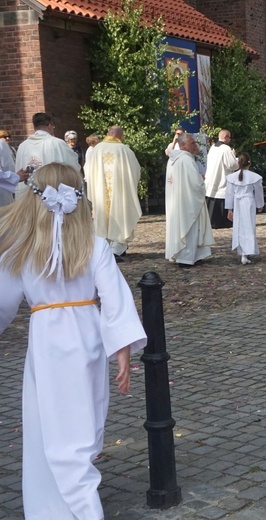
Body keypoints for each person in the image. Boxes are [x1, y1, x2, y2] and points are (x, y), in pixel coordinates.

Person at [0, 162, 147, 520]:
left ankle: (55, 507)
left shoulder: (20, 250)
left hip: (47, 340)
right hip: (87, 338)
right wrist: (122, 349)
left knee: (47, 420)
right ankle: (75, 504)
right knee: (82, 421)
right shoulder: (95, 246)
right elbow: (114, 299)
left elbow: (4, 303)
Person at [85, 126, 142, 260]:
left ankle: (104, 249)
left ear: (107, 134)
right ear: (121, 136)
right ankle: (117, 249)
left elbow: (88, 172)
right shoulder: (124, 150)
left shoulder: (96, 150)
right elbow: (135, 171)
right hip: (120, 195)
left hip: (100, 194)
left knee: (102, 218)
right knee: (120, 215)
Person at [165, 133, 215, 267]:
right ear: (183, 145)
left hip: (177, 201)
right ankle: (186, 258)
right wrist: (202, 182)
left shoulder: (172, 160)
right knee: (191, 229)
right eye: (192, 143)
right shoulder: (186, 160)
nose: (195, 145)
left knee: (184, 227)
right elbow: (196, 184)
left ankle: (195, 255)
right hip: (188, 202)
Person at [14, 113, 81, 200]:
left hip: (28, 200)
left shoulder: (23, 146)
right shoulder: (57, 143)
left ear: (34, 127)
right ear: (49, 125)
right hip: (51, 200)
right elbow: (73, 167)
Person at [225, 152, 264, 265]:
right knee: (248, 226)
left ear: (238, 163)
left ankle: (243, 251)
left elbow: (229, 194)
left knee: (239, 227)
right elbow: (258, 193)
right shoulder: (254, 177)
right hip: (248, 202)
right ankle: (245, 252)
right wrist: (259, 204)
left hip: (238, 202)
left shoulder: (232, 177)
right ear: (249, 163)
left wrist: (229, 209)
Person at [205, 129, 237, 229]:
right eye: (229, 137)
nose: (230, 139)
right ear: (225, 137)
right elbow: (232, 165)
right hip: (221, 180)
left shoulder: (213, 147)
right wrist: (234, 156)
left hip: (211, 179)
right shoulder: (226, 149)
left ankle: (212, 221)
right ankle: (224, 222)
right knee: (222, 195)